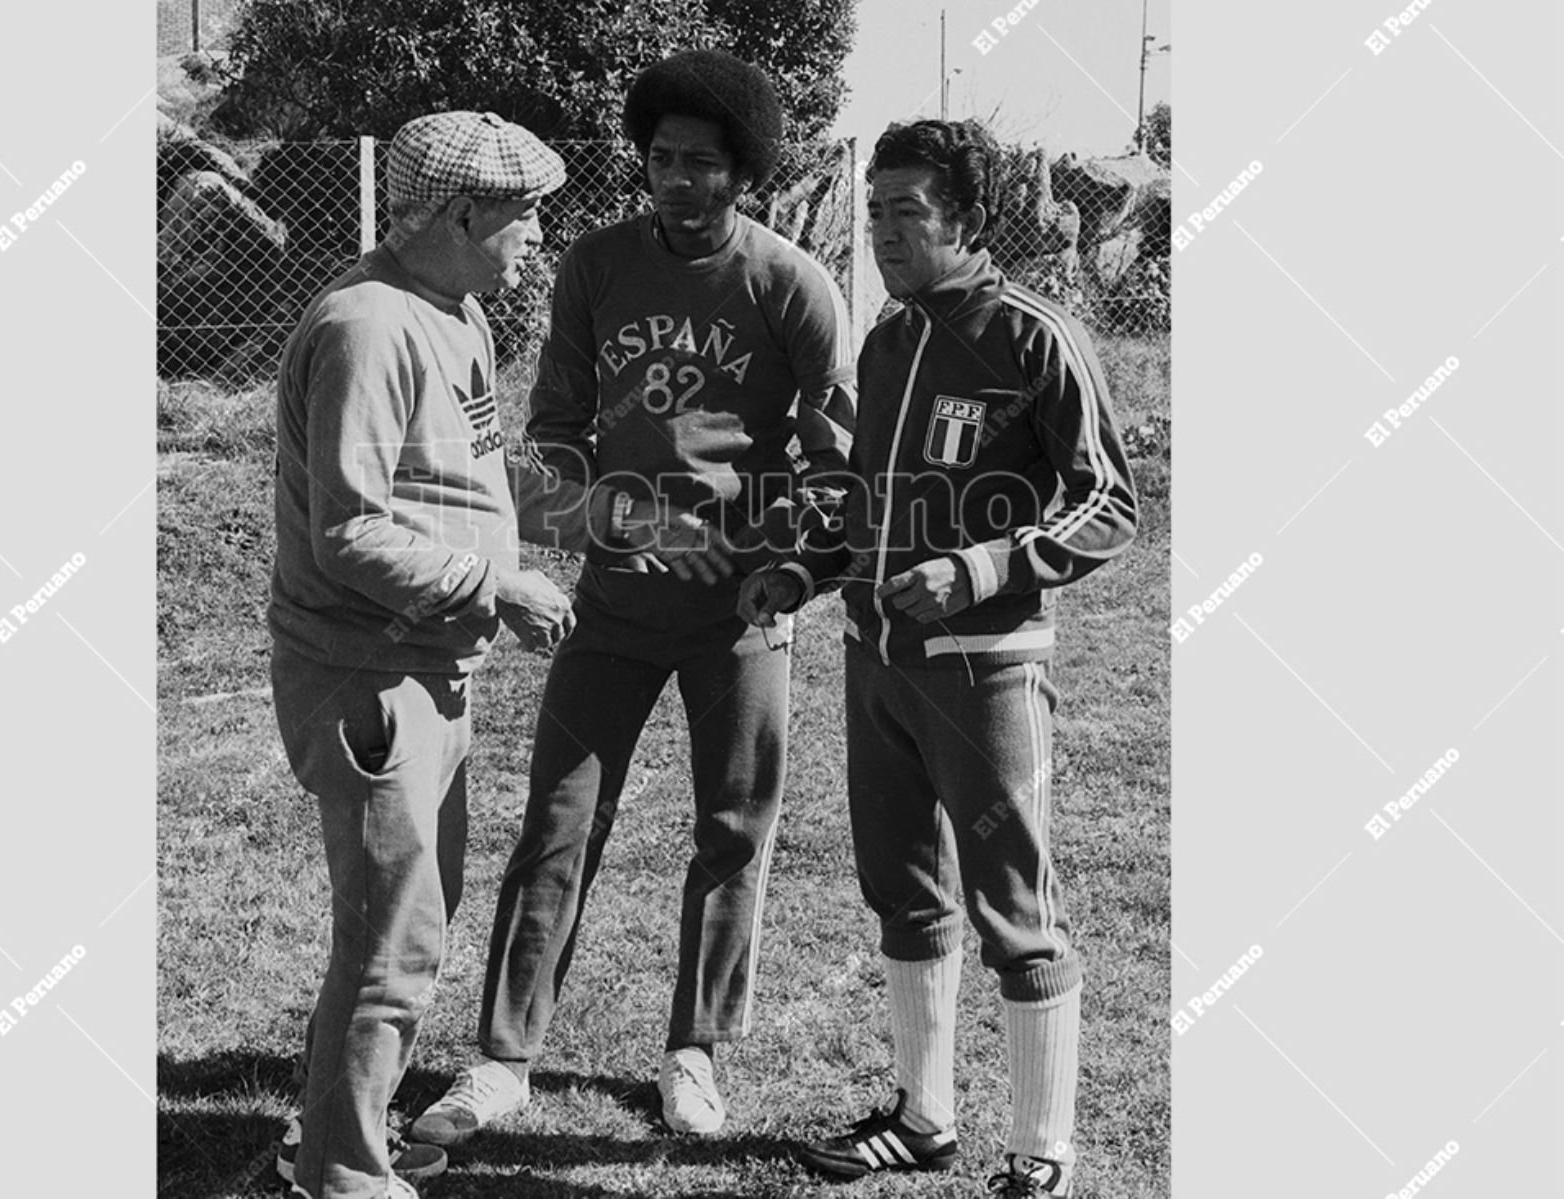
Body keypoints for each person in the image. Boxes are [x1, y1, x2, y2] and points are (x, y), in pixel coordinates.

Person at [411, 49, 857, 1144]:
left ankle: (693, 1052)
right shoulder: (594, 268)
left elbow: (839, 453)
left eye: (703, 163)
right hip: (612, 602)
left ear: (744, 171)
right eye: (661, 158)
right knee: (559, 820)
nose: (678, 180)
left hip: (739, 610)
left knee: (731, 829)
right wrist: (591, 523)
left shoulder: (792, 282)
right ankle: (503, 1058)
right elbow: (554, 428)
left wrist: (780, 554)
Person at [736, 119, 1137, 1197]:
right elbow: (868, 501)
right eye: (874, 216)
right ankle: (924, 1117)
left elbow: (1111, 504)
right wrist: (809, 569)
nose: (883, 236)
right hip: (878, 662)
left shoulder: (1034, 334)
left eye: (906, 215)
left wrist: (983, 567)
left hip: (986, 668)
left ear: (968, 220)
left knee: (1015, 905)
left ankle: (1041, 1148)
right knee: (904, 893)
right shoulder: (889, 339)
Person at [267, 110, 578, 1199]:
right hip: (369, 675)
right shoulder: (366, 326)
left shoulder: (460, 312)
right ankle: (342, 1175)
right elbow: (347, 529)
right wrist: (496, 584)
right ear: (463, 213)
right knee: (389, 942)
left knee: (412, 926)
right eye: (526, 213)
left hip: (433, 664)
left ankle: (332, 1137)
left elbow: (464, 479)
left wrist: (603, 518)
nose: (540, 232)